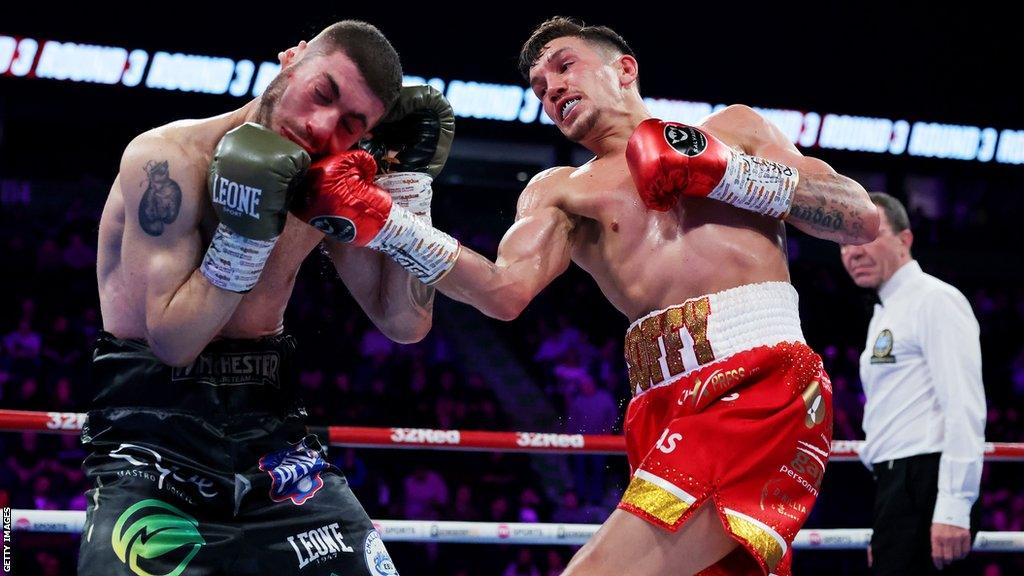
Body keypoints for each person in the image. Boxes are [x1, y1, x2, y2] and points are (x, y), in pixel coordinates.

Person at [310, 15, 880, 576]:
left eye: (564, 66)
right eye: (539, 88)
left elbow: (859, 218)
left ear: (624, 69)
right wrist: (389, 221)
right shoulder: (560, 192)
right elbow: (502, 293)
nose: (552, 88)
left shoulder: (734, 129)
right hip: (659, 407)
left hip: (758, 380)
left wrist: (728, 171)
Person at [81, 19, 455, 575]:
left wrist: (411, 188)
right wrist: (244, 233)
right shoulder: (167, 160)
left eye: (351, 125)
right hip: (150, 442)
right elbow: (173, 341)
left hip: (276, 443)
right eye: (322, 93)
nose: (320, 126)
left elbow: (405, 322)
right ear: (292, 59)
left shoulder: (327, 186)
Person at [840, 192, 986, 574]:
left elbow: (964, 407)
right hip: (896, 486)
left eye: (866, 236)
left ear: (904, 240)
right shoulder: (885, 313)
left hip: (927, 482)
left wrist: (953, 507)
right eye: (844, 242)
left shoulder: (936, 301)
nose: (852, 252)